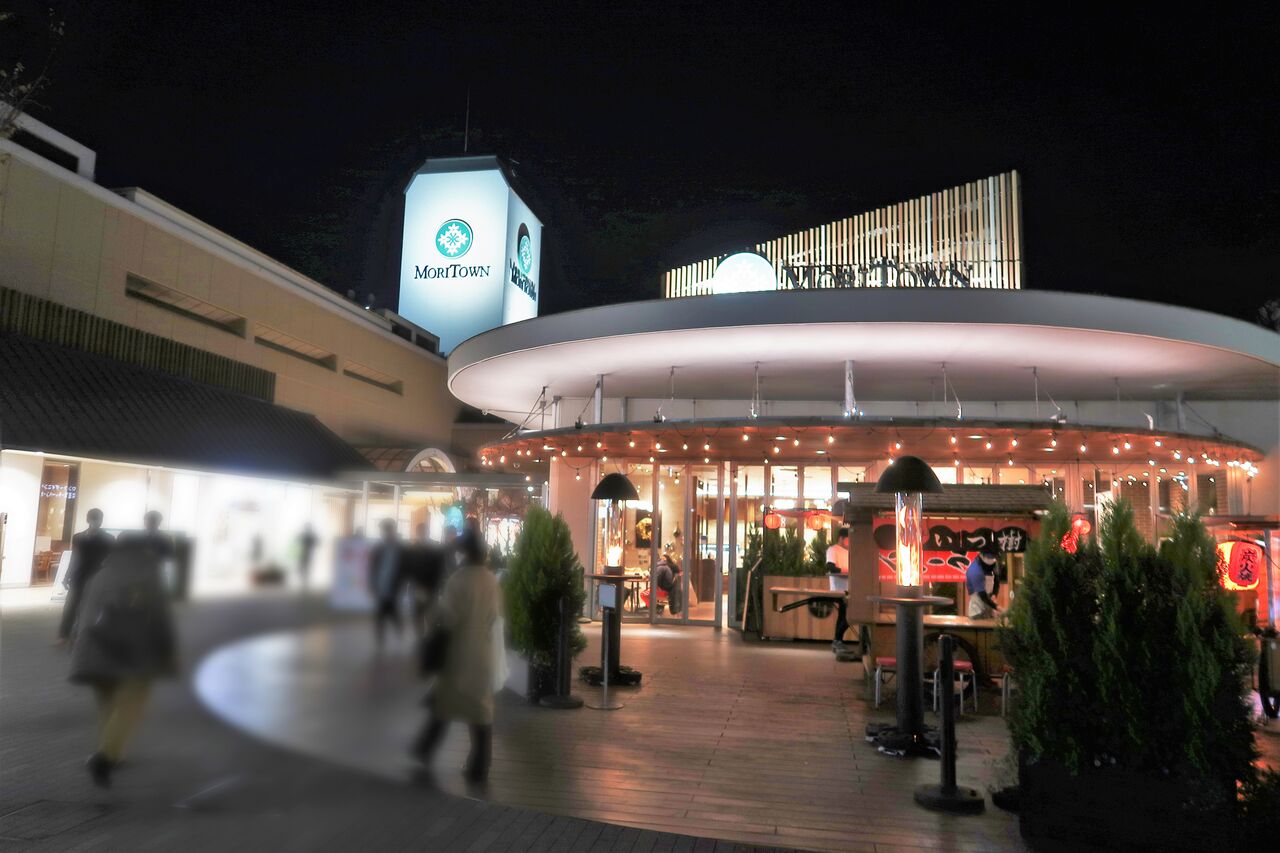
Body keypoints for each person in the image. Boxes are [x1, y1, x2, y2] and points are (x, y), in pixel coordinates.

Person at [69, 531, 177, 788]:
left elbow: (84, 614)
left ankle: (113, 752)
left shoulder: (100, 574)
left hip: (94, 649)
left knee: (108, 704)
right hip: (130, 652)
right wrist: (167, 651)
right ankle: (106, 756)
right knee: (132, 704)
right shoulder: (148, 575)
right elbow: (160, 618)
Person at [410, 534, 501, 789]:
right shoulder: (490, 579)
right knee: (479, 710)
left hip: (459, 652)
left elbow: (448, 617)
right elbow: (494, 616)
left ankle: (424, 749)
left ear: (464, 553)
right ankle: (479, 766)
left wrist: (429, 610)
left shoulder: (459, 579)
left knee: (444, 703)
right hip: (482, 652)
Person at [57, 508, 115, 644]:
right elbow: (74, 558)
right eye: (93, 519)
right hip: (79, 576)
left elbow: (111, 559)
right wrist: (67, 576)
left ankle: (89, 635)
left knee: (96, 606)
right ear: (88, 519)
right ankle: (64, 635)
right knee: (71, 605)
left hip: (98, 576)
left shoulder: (108, 539)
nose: (96, 522)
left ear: (101, 521)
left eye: (98, 519)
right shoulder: (78, 537)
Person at [368, 519, 407, 649]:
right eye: (385, 530)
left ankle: (397, 633)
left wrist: (402, 583)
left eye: (389, 530)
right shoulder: (379, 548)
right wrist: (372, 583)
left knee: (391, 610)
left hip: (394, 585)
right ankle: (382, 639)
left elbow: (404, 568)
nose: (386, 533)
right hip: (381, 584)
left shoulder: (400, 548)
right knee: (383, 611)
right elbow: (373, 567)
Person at [405, 523, 446, 640]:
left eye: (424, 532)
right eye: (421, 532)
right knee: (418, 615)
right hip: (417, 587)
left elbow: (440, 568)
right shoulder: (412, 548)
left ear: (428, 532)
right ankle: (421, 639)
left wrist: (435, 585)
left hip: (431, 588)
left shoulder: (436, 547)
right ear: (418, 533)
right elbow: (409, 568)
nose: (422, 534)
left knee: (431, 615)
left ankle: (430, 640)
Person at [826, 527, 852, 654]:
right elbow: (830, 567)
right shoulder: (833, 550)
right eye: (848, 540)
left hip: (849, 588)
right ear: (841, 538)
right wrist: (844, 571)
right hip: (838, 589)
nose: (849, 543)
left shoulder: (849, 552)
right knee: (846, 615)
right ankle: (837, 639)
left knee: (844, 615)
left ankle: (838, 640)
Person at [966, 546, 1002, 619]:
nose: (991, 559)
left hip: (989, 606)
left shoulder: (994, 564)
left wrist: (994, 594)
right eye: (989, 557)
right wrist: (997, 607)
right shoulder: (974, 571)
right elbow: (983, 596)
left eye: (993, 557)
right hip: (977, 610)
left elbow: (996, 581)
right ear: (981, 555)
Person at [652, 549, 683, 615]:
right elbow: (679, 573)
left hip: (666, 587)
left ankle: (656, 608)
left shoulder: (664, 566)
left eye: (662, 558)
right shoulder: (672, 566)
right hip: (672, 586)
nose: (661, 559)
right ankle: (659, 607)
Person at [296, 524, 319, 590]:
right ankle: (304, 582)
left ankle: (305, 583)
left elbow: (316, 542)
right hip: (304, 554)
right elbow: (297, 540)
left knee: (305, 569)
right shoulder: (306, 535)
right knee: (303, 568)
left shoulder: (308, 536)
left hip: (306, 554)